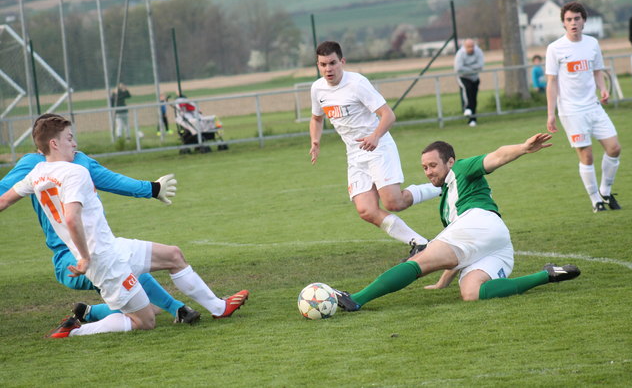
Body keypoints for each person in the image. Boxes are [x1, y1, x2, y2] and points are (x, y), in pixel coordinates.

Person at [0, 115, 249, 338]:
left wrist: (152, 189)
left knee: (173, 254)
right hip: (97, 260)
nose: (75, 143)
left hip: (112, 247)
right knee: (146, 320)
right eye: (69, 138)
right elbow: (71, 219)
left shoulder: (39, 172)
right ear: (53, 144)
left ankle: (219, 308)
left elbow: (4, 200)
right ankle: (77, 330)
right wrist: (85, 258)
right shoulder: (74, 172)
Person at [332, 133, 581, 312]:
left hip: (480, 222)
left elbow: (496, 157)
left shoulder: (461, 169)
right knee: (472, 294)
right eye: (424, 168)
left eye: (433, 165)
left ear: (450, 162)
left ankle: (356, 299)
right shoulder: (447, 204)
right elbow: (457, 249)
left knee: (418, 262)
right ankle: (547, 275)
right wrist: (443, 281)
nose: (429, 171)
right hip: (498, 243)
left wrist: (523, 148)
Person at [309, 41, 441, 257]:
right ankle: (419, 243)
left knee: (394, 202)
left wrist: (375, 136)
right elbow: (316, 118)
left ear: (342, 61)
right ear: (318, 65)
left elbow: (388, 115)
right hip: (354, 154)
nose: (328, 69)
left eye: (333, 63)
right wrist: (315, 140)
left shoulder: (357, 84)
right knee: (366, 210)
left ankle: (441, 188)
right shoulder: (317, 88)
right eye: (323, 65)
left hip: (378, 148)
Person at [546, 1, 622, 213]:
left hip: (594, 106)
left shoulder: (592, 44)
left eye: (577, 19)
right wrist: (551, 114)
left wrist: (603, 89)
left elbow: (597, 71)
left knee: (614, 148)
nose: (573, 23)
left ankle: (605, 190)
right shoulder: (555, 48)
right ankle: (595, 200)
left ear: (584, 21)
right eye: (569, 20)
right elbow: (551, 82)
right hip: (571, 111)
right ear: (563, 23)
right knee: (586, 155)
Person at [454, 39, 484, 127]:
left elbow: (480, 66)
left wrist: (467, 68)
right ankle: (466, 108)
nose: (471, 49)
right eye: (468, 47)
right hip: (463, 77)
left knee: (473, 99)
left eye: (472, 47)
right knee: (467, 90)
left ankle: (472, 119)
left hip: (475, 78)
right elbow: (458, 68)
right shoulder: (460, 54)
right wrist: (472, 69)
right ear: (464, 47)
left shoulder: (478, 52)